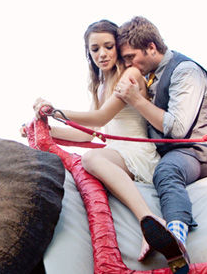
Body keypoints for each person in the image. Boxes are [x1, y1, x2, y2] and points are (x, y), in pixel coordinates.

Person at [32, 19, 162, 262]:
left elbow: (102, 116)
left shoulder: (130, 74)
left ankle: (148, 219)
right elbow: (87, 132)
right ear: (88, 53)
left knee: (91, 158)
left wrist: (55, 111)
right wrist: (45, 129)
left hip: (137, 151)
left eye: (108, 46)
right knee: (88, 160)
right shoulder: (100, 85)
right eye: (95, 49)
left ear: (118, 47)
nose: (102, 54)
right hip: (116, 152)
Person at [115, 16, 207, 274]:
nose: (127, 64)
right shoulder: (149, 76)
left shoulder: (186, 70)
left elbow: (178, 128)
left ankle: (177, 238)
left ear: (151, 47)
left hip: (192, 153)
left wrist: (136, 100)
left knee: (167, 171)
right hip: (163, 152)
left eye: (130, 57)